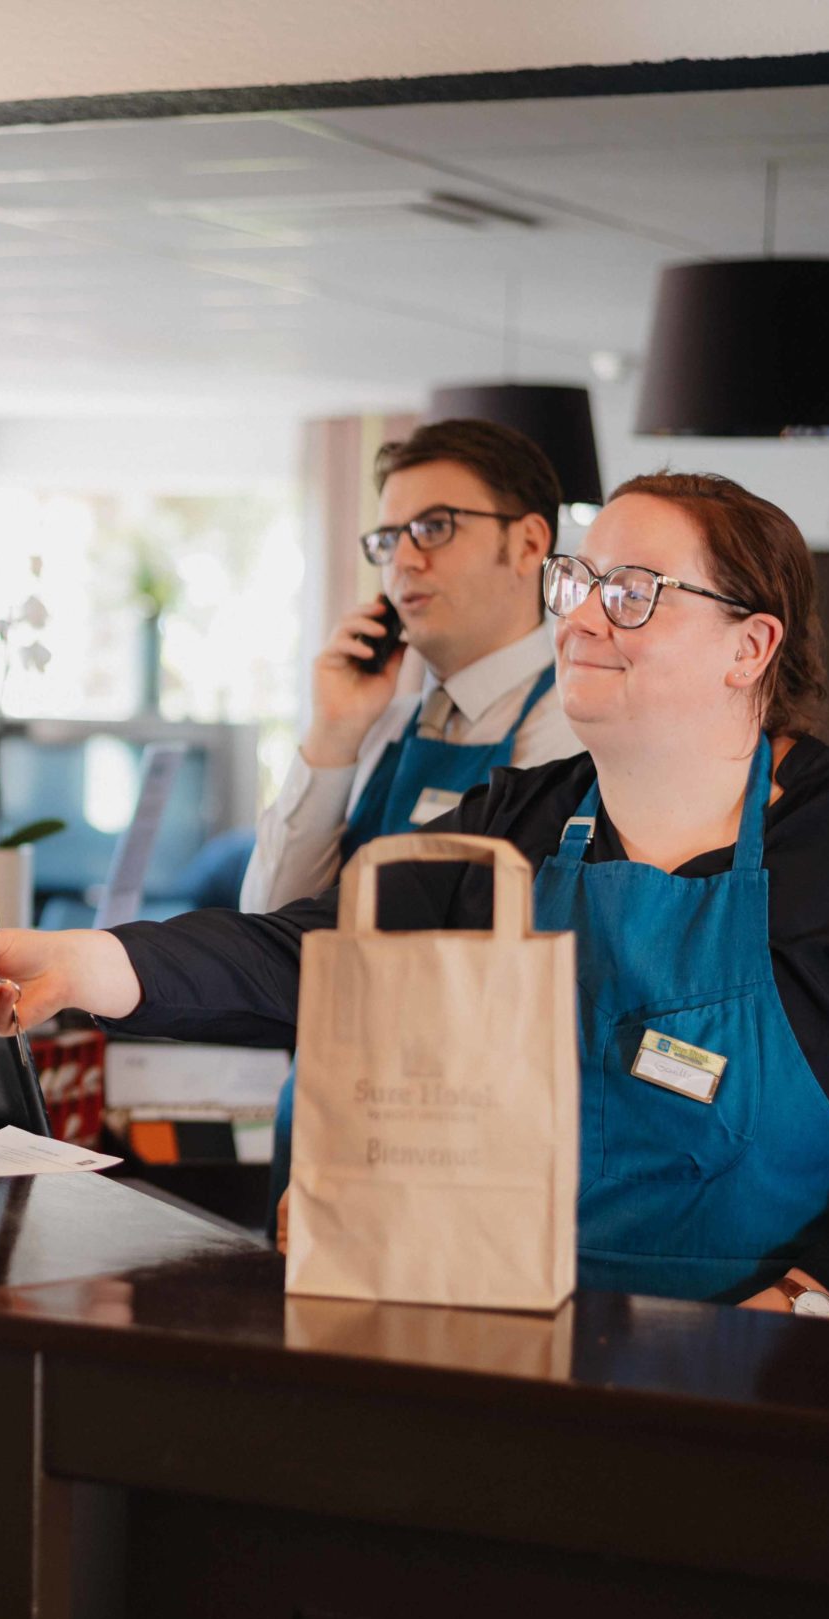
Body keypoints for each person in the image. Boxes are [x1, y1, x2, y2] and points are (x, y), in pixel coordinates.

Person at [0, 472, 829, 1333]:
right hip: (570, 1360)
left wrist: (813, 1303)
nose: (577, 618)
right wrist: (92, 966)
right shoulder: (521, 819)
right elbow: (318, 951)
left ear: (749, 645)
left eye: (632, 594)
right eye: (576, 583)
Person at [243, 418, 585, 1222]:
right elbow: (273, 920)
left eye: (434, 527)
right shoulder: (387, 720)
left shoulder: (569, 727)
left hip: (448, 1128)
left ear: (530, 542)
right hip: (327, 1102)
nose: (403, 558)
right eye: (388, 536)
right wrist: (333, 730)